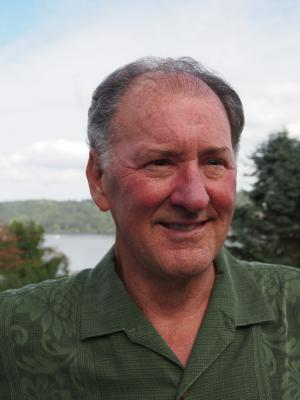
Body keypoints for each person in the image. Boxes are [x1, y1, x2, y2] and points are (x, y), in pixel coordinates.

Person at [0, 57, 299, 400]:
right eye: (160, 162)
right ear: (99, 179)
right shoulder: (13, 332)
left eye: (214, 162)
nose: (195, 197)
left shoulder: (293, 305)